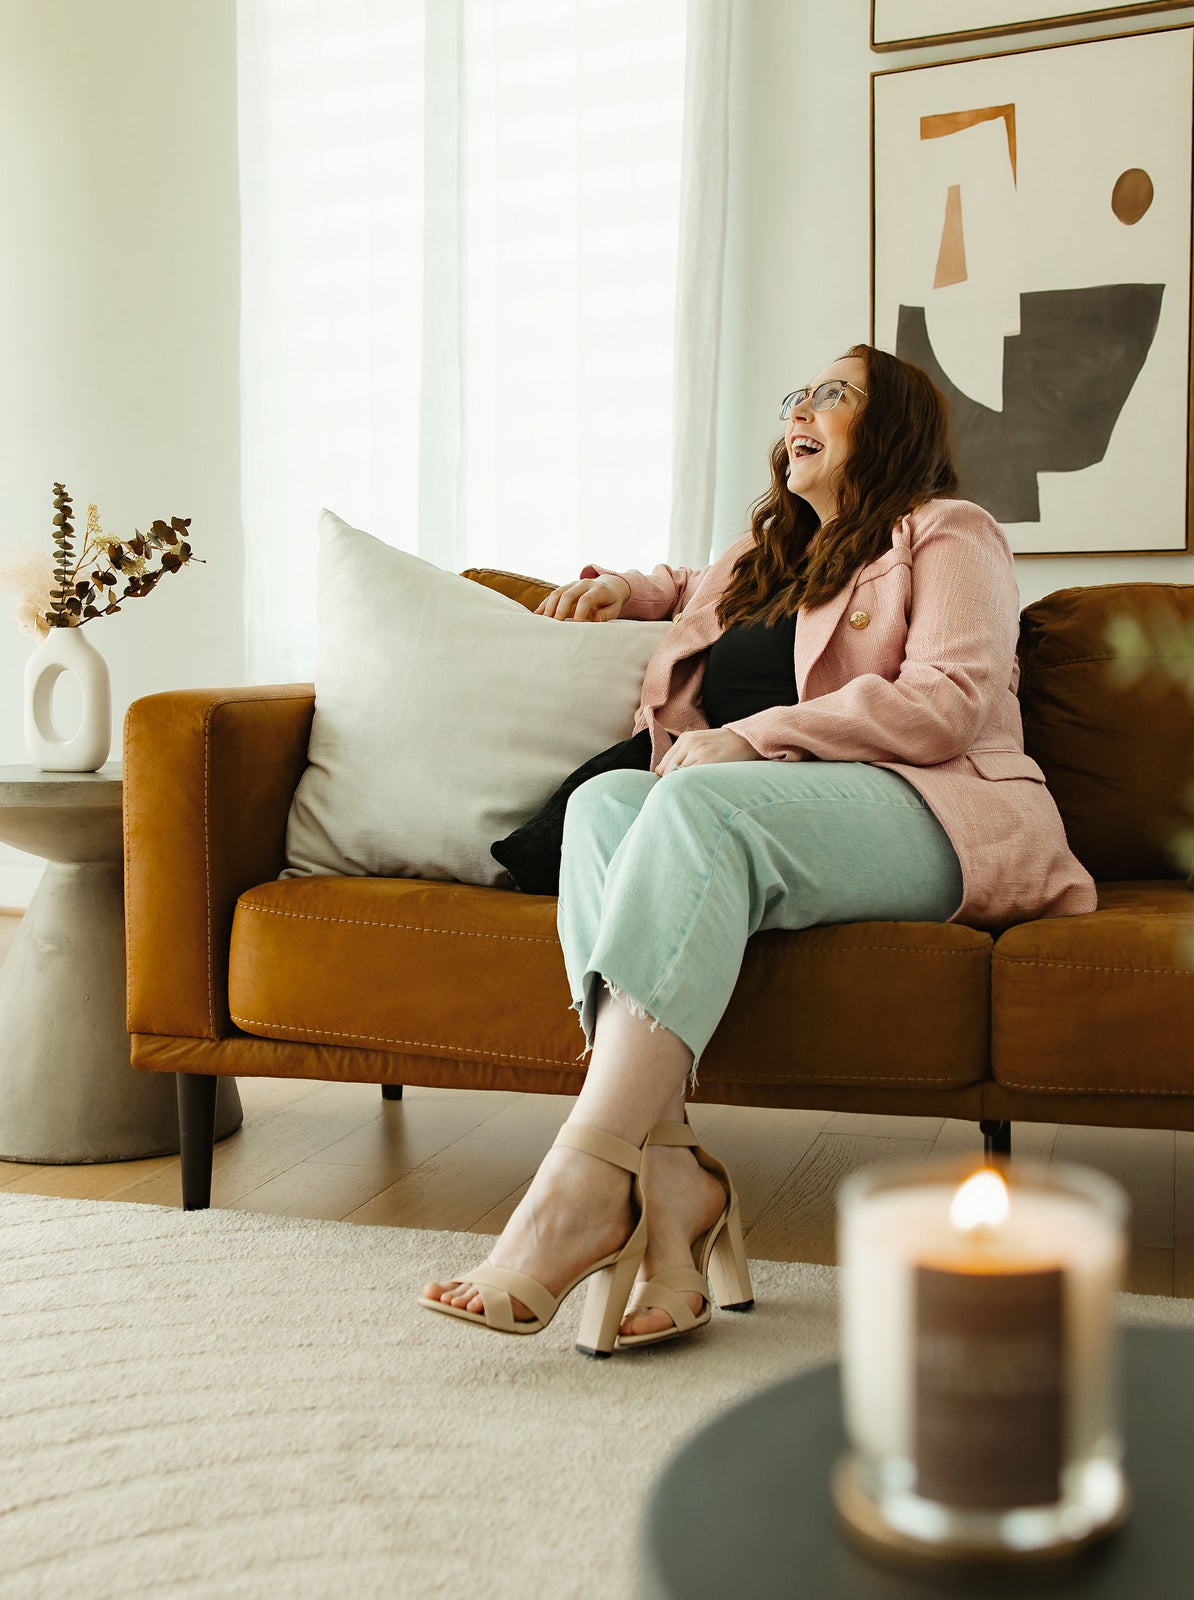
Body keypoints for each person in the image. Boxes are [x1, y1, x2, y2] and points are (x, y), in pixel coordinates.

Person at [420, 344, 1098, 1355]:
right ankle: (672, 1179)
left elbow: (949, 703)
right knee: (610, 801)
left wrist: (753, 735)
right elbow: (693, 586)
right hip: (775, 807)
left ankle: (579, 1184)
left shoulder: (950, 534)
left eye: (834, 395)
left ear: (897, 428)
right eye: (796, 396)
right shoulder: (759, 559)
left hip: (933, 808)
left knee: (695, 806)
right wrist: (630, 592)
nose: (800, 412)